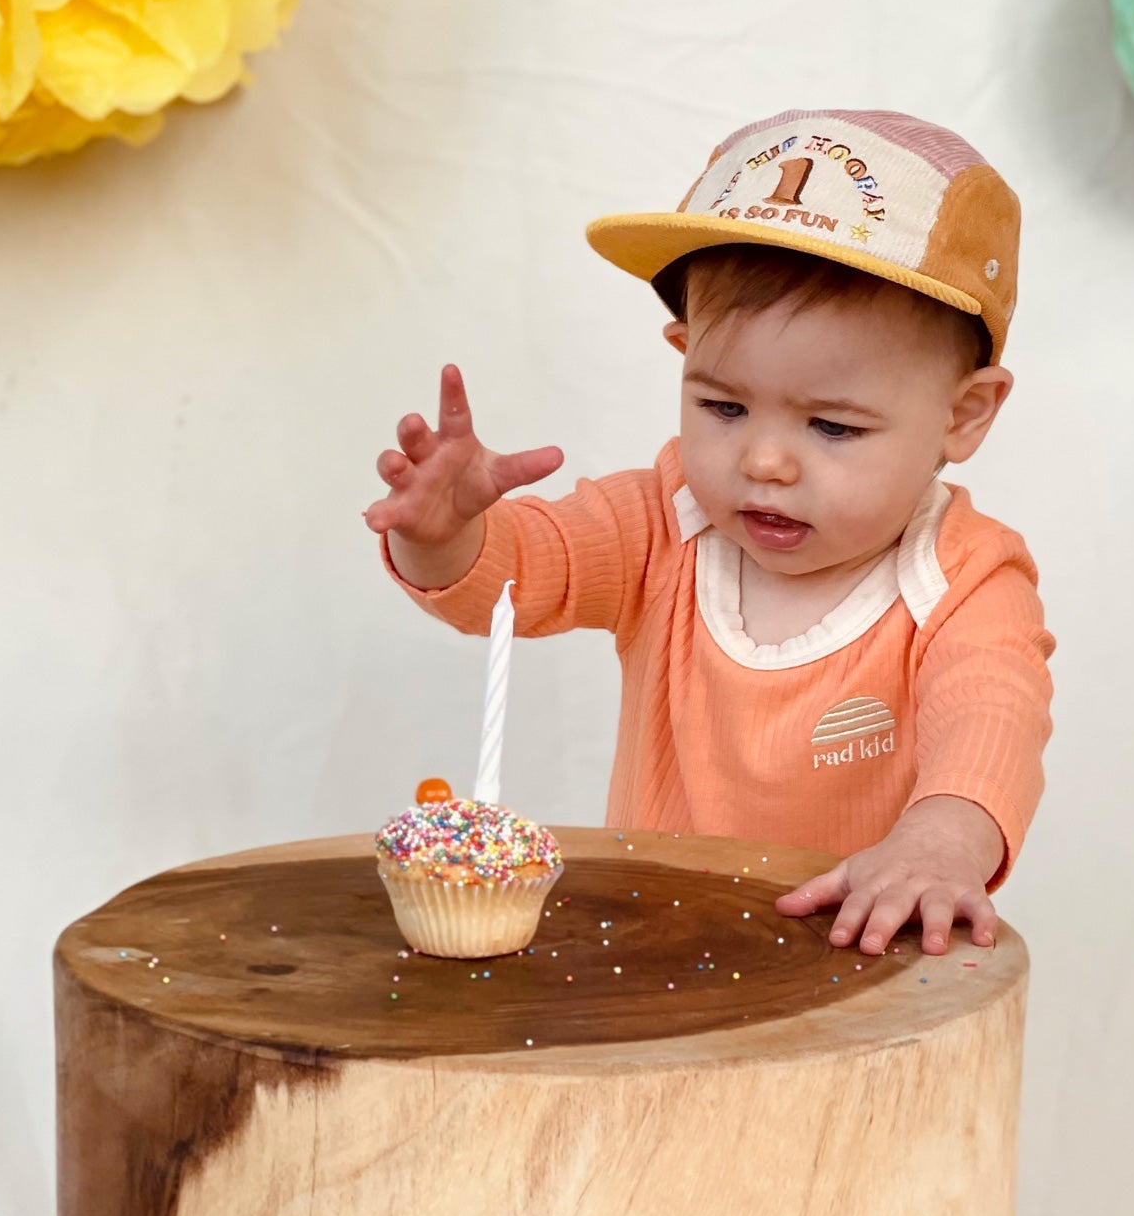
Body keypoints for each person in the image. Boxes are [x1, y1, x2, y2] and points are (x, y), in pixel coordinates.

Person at [363, 109, 1055, 957]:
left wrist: (943, 840)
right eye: (723, 406)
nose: (763, 462)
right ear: (683, 353)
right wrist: (443, 536)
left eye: (832, 427)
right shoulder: (665, 521)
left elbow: (993, 714)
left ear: (963, 414)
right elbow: (515, 578)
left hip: (856, 985)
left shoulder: (964, 579)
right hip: (648, 965)